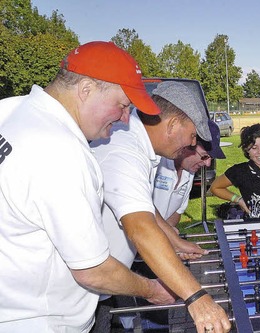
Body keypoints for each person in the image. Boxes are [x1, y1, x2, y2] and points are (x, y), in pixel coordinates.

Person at [0, 41, 175, 332]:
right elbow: (93, 271)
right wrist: (152, 289)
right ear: (85, 90)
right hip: (39, 322)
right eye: (122, 106)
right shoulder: (59, 150)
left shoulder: (10, 110)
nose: (123, 118)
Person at [90, 81, 231, 333]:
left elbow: (143, 205)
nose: (190, 144)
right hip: (70, 294)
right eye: (192, 136)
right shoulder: (123, 148)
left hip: (100, 282)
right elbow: (141, 228)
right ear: (173, 124)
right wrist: (196, 297)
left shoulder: (138, 144)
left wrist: (175, 241)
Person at [154, 120, 226, 228]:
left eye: (211, 158)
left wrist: (169, 236)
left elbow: (176, 212)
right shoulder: (156, 163)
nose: (208, 164)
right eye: (204, 156)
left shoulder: (189, 173)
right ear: (187, 144)